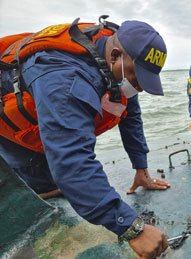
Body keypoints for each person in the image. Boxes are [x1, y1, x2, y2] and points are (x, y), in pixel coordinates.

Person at [0, 17, 169, 258]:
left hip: (45, 110)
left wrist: (141, 168)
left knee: (62, 183)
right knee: (40, 186)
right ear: (114, 56)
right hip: (11, 123)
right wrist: (133, 228)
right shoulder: (65, 78)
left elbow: (130, 115)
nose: (139, 87)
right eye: (136, 78)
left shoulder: (117, 65)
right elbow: (72, 161)